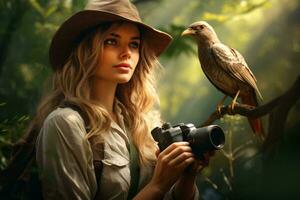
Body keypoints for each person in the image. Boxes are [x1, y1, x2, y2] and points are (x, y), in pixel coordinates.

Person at [32, 0, 213, 199]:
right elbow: (156, 189)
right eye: (112, 41)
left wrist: (186, 177)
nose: (127, 53)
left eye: (134, 44)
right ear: (86, 50)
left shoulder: (143, 125)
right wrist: (158, 185)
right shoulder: (66, 124)